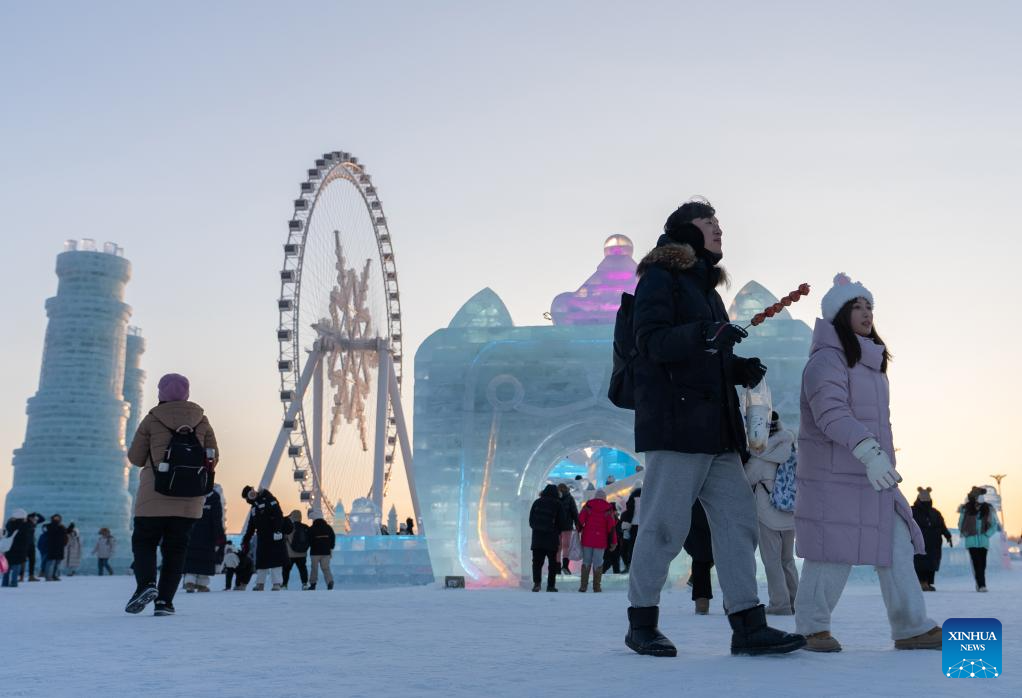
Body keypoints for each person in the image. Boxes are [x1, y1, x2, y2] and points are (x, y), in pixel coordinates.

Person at [625, 199, 803, 657]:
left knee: (737, 525)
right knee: (664, 527)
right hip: (676, 424)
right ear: (686, 231)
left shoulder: (707, 290)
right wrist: (707, 335)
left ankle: (748, 625)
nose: (719, 229)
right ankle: (641, 622)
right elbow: (652, 342)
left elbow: (707, 353)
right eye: (710, 222)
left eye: (719, 222)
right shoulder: (660, 278)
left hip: (719, 431)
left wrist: (735, 365)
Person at [794, 276, 940, 652]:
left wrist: (878, 459)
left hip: (873, 475)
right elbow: (830, 412)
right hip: (836, 475)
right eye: (856, 307)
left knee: (897, 546)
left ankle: (911, 627)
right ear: (839, 315)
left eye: (869, 307)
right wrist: (869, 452)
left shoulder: (870, 364)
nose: (866, 313)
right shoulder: (826, 360)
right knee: (831, 552)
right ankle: (812, 629)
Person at [124, 373, 219, 616]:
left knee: (144, 542)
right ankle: (165, 602)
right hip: (189, 500)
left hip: (153, 496)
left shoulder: (152, 419)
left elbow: (135, 458)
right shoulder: (202, 420)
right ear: (187, 393)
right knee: (176, 550)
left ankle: (146, 585)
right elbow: (213, 457)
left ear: (160, 393)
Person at [744, 412, 799, 615]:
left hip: (767, 515)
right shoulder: (793, 451)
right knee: (788, 560)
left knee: (772, 561)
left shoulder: (761, 457)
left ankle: (780, 604)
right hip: (790, 514)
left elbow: (746, 480)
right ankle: (796, 601)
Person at [240, 486, 292, 591]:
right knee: (261, 561)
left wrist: (277, 530)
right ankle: (260, 583)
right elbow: (251, 526)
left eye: (252, 493)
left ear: (254, 491)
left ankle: (277, 583)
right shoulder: (254, 507)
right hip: (262, 537)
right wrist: (246, 540)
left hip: (274, 536)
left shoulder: (270, 499)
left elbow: (278, 515)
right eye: (248, 497)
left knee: (276, 561)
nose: (251, 497)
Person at [182, 487, 225, 593]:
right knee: (205, 561)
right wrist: (219, 536)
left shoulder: (192, 492)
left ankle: (189, 582)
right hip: (208, 536)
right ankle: (202, 584)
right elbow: (217, 519)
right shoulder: (214, 497)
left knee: (191, 560)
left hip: (192, 533)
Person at [958, 486, 1001, 592]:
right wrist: (966, 533)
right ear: (974, 497)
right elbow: (960, 523)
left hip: (983, 541)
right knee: (977, 563)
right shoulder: (966, 509)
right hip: (971, 542)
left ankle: (980, 584)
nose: (981, 498)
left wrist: (987, 534)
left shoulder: (988, 508)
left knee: (983, 564)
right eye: (979, 496)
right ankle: (982, 585)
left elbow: (995, 524)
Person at [911, 487, 952, 591]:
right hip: (918, 542)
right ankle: (922, 583)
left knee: (932, 564)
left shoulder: (935, 513)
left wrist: (948, 536)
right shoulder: (912, 511)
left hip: (934, 543)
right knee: (920, 563)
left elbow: (942, 525)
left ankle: (928, 583)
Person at [529, 484, 567, 592]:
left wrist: (538, 529)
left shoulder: (537, 502)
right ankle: (550, 586)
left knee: (537, 563)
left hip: (537, 538)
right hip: (552, 538)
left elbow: (531, 521)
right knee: (552, 563)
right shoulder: (558, 504)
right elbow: (562, 522)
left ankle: (537, 584)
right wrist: (556, 531)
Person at [577, 489, 617, 592]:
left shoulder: (588, 505)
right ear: (604, 497)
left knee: (586, 561)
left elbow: (580, 520)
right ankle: (596, 586)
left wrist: (578, 531)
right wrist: (613, 542)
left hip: (587, 539)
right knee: (598, 563)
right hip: (600, 540)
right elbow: (611, 527)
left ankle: (583, 586)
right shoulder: (608, 508)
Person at [684, 501, 714, 615]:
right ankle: (731, 600)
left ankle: (702, 601)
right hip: (714, 506)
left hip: (694, 507)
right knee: (725, 556)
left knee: (700, 556)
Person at [2, 509, 32, 588]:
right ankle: (14, 583)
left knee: (7, 566)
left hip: (8, 548)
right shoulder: (25, 526)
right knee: (16, 566)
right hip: (20, 549)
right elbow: (28, 533)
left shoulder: (9, 524)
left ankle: (4, 582)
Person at [283, 510, 310, 590]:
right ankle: (304, 583)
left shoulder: (289, 527)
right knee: (302, 569)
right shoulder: (305, 527)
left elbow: (285, 538)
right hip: (302, 553)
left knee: (286, 570)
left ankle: (284, 584)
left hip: (290, 554)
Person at [556, 483, 580, 575]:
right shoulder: (570, 498)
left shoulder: (555, 498)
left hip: (557, 527)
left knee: (558, 548)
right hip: (567, 527)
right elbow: (574, 512)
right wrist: (578, 525)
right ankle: (565, 566)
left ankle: (557, 568)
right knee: (566, 547)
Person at [308, 516, 336, 590]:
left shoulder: (311, 528)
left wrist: (312, 545)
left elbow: (309, 539)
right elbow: (333, 537)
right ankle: (330, 581)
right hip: (326, 552)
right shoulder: (328, 527)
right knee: (326, 568)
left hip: (315, 552)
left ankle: (313, 584)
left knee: (314, 568)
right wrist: (331, 547)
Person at [619, 484, 641, 573]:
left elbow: (629, 512)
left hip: (634, 525)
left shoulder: (633, 496)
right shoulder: (649, 495)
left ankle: (630, 566)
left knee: (632, 546)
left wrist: (626, 524)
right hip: (645, 525)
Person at [43, 514, 68, 581]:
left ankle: (55, 575)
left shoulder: (62, 526)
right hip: (52, 546)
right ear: (52, 519)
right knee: (51, 562)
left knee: (58, 563)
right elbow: (51, 530)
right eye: (55, 518)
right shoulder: (49, 526)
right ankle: (48, 576)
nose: (57, 519)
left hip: (60, 547)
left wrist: (70, 527)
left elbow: (66, 532)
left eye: (58, 518)